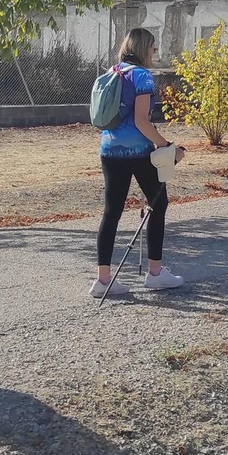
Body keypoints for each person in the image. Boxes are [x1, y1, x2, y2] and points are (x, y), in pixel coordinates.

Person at [94, 27, 186, 298]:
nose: (155, 53)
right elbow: (141, 121)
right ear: (144, 48)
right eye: (153, 48)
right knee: (158, 204)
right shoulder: (142, 77)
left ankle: (102, 280)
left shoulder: (112, 72)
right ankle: (155, 273)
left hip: (109, 150)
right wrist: (166, 146)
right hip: (138, 153)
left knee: (111, 212)